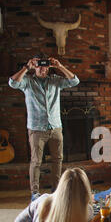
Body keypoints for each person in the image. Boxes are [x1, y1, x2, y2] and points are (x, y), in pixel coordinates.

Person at [8, 54, 80, 202]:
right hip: (36, 128)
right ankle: (34, 193)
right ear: (35, 67)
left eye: (45, 65)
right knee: (36, 161)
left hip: (55, 127)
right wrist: (26, 67)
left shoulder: (55, 81)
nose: (43, 69)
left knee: (58, 159)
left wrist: (59, 66)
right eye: (39, 65)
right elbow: (12, 83)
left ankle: (56, 189)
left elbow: (74, 81)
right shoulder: (27, 81)